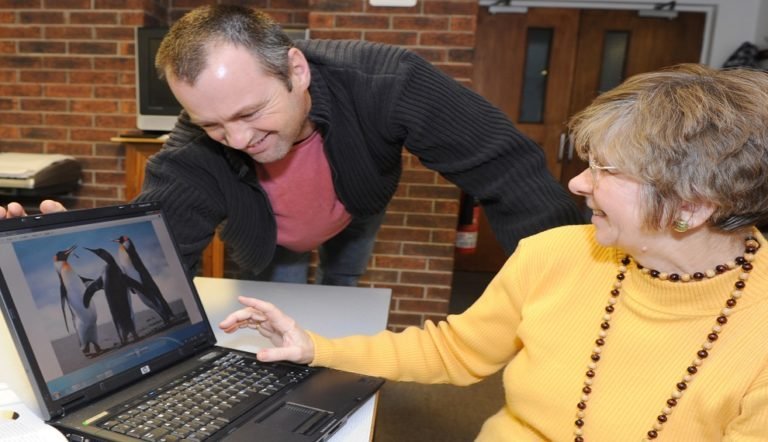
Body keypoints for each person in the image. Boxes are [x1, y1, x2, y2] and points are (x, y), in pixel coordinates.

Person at [218, 63, 768, 441]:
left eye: (606, 171)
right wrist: (313, 347)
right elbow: (455, 352)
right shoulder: (555, 255)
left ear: (692, 207)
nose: (577, 185)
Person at [0, 4, 584, 285]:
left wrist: (573, 285)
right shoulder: (198, 141)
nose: (238, 140)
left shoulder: (390, 81)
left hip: (353, 202)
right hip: (270, 231)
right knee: (275, 300)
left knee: (342, 290)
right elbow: (159, 244)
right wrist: (73, 252)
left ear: (297, 70)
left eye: (251, 113)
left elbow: (507, 170)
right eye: (212, 125)